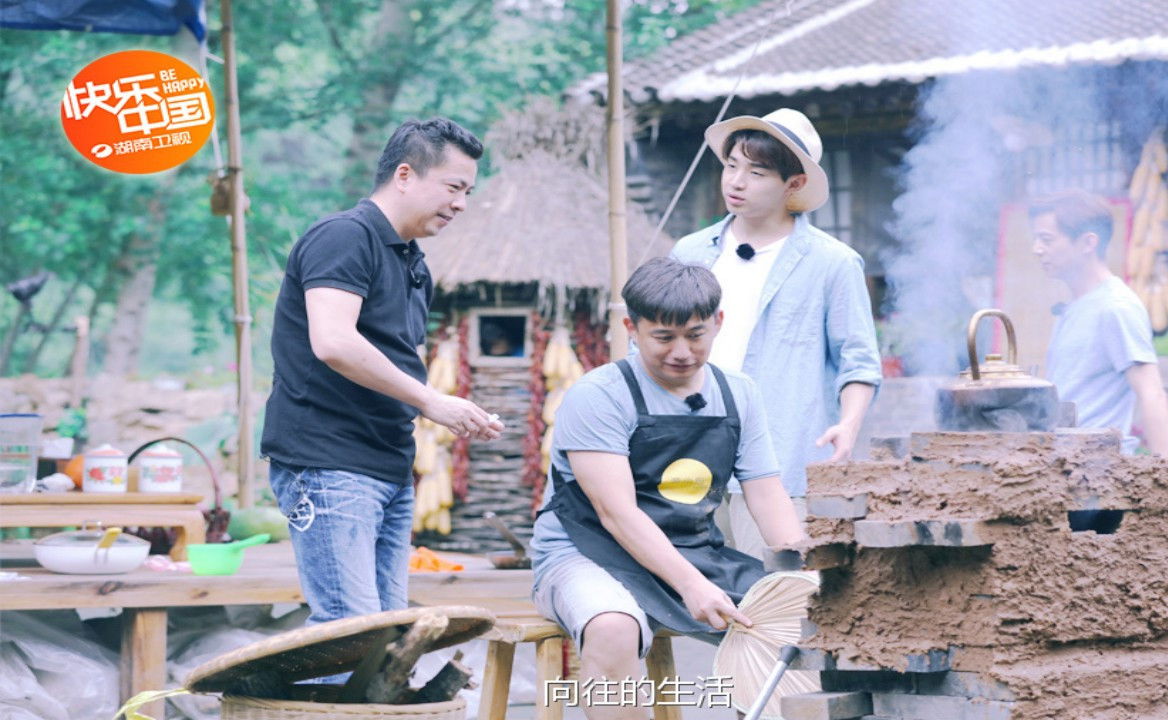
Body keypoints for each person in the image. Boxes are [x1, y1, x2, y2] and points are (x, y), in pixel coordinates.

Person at [529, 258, 805, 719]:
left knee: (805, 617)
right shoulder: (599, 395)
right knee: (613, 627)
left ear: (718, 322)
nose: (682, 352)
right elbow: (617, 513)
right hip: (586, 554)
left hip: (693, 551)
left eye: (696, 335)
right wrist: (692, 586)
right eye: (663, 337)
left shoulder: (738, 393)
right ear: (631, 328)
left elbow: (765, 491)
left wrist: (802, 569)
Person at [261, 118, 503, 627]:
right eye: (453, 187)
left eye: (468, 192)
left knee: (386, 632)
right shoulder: (344, 237)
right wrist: (431, 401)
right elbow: (333, 341)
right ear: (405, 175)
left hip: (389, 466)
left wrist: (446, 409)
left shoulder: (415, 264)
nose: (462, 203)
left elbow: (398, 359)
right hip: (328, 462)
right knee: (348, 629)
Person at [670, 108, 881, 558]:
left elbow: (858, 360)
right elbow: (655, 344)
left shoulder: (832, 262)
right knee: (694, 589)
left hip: (781, 459)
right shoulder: (690, 252)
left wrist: (848, 425)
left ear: (794, 183)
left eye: (757, 172)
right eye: (731, 166)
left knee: (776, 588)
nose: (736, 181)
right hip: (690, 454)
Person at [1030, 189, 1168, 458]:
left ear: (1088, 243)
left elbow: (1151, 392)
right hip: (1065, 464)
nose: (1036, 249)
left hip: (1098, 469)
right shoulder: (1074, 307)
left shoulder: (1115, 306)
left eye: (1046, 240)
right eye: (1036, 239)